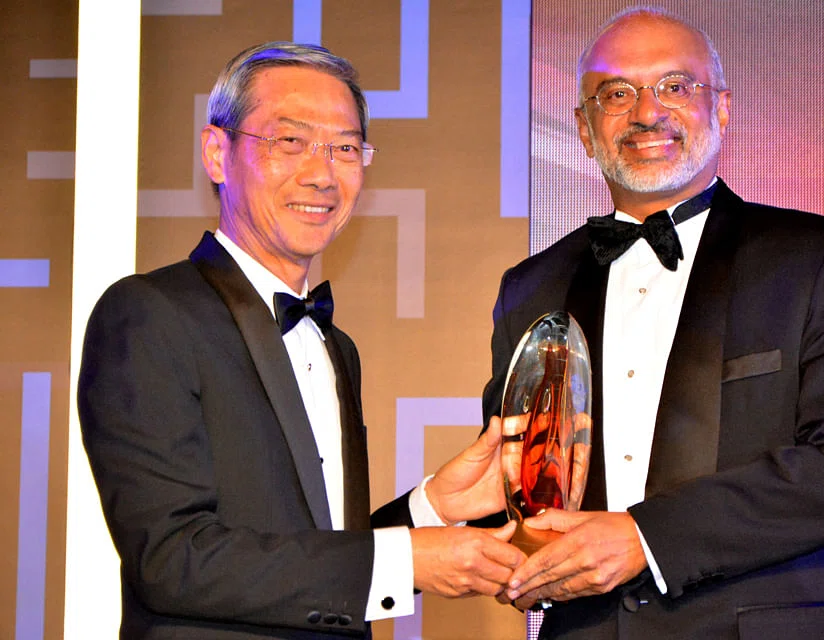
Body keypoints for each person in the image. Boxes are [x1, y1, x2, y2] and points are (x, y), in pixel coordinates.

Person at [483, 7, 824, 639]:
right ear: (584, 128)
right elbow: (514, 472)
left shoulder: (819, 259)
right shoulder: (531, 286)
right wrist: (515, 553)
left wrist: (645, 539)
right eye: (615, 93)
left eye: (675, 86)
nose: (646, 112)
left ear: (722, 108)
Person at [77, 42, 524, 639]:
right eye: (290, 141)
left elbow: (317, 555)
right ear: (217, 153)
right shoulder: (148, 314)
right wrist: (406, 560)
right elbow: (172, 558)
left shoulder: (337, 347)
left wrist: (433, 507)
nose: (321, 173)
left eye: (345, 148)